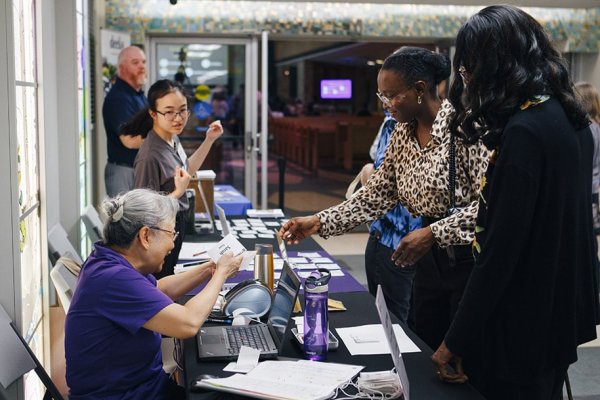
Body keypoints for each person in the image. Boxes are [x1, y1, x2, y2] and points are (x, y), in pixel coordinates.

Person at [432, 6, 600, 399]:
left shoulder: (525, 132)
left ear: (494, 64)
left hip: (523, 317)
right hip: (561, 305)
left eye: (469, 66)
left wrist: (454, 340)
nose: (466, 78)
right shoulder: (569, 116)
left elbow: (500, 250)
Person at [279, 46, 489, 352]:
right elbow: (378, 193)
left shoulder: (467, 129)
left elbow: (491, 205)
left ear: (419, 90)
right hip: (426, 260)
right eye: (381, 96)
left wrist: (433, 233)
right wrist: (319, 221)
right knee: (424, 347)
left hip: (466, 260)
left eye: (391, 95)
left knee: (460, 355)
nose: (386, 105)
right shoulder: (403, 134)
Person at [65, 189, 242, 400]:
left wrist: (209, 268)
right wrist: (221, 274)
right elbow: (188, 324)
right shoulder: (113, 279)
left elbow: (160, 290)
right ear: (145, 236)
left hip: (141, 388)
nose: (172, 244)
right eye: (171, 234)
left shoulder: (108, 261)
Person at [124, 79, 223, 278]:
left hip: (173, 228)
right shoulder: (150, 155)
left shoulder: (170, 138)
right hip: (158, 238)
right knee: (163, 289)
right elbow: (144, 213)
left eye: (183, 110)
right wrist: (178, 192)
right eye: (169, 112)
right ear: (153, 113)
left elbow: (187, 170)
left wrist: (209, 140)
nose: (178, 118)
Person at [359, 111, 422, 324]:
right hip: (391, 240)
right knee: (393, 324)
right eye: (384, 97)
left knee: (409, 327)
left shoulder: (449, 125)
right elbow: (381, 187)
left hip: (421, 246)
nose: (390, 104)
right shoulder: (394, 124)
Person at [103, 46, 149, 197]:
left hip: (137, 171)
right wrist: (162, 137)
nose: (142, 66)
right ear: (122, 68)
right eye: (135, 62)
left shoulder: (139, 95)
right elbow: (130, 140)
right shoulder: (119, 98)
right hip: (124, 173)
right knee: (125, 220)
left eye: (143, 62)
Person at [576, 82, 600, 236]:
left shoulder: (586, 129)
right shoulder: (597, 127)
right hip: (594, 185)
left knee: (586, 232)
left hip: (586, 184)